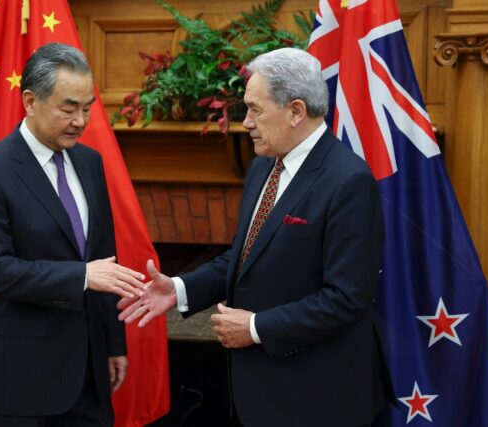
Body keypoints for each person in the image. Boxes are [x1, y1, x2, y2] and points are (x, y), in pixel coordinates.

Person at [119, 47, 394, 427]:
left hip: (319, 401)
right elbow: (246, 257)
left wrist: (254, 328)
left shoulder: (349, 181)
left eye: (255, 109)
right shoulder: (263, 166)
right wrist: (180, 289)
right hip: (261, 395)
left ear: (296, 111)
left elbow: (347, 299)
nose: (245, 122)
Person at [0, 43, 146, 427]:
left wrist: (112, 344)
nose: (81, 120)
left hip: (90, 376)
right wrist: (80, 277)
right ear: (30, 101)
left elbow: (104, 259)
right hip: (22, 381)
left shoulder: (90, 163)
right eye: (68, 108)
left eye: (88, 107)